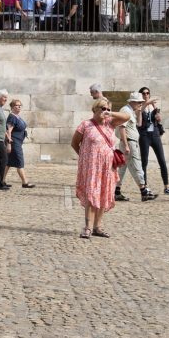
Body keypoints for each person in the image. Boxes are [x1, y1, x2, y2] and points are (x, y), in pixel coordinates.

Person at [73, 99, 124, 238]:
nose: (105, 110)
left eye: (107, 108)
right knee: (91, 196)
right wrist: (85, 157)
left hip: (108, 168)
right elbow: (74, 143)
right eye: (102, 108)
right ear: (94, 109)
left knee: (104, 195)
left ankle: (98, 227)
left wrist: (110, 112)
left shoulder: (111, 124)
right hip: (92, 168)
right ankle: (88, 227)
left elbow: (127, 116)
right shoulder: (86, 125)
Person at [134, 86, 169, 197]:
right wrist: (147, 103)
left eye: (148, 93)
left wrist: (158, 117)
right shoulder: (139, 106)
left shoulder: (153, 106)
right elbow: (138, 114)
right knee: (144, 162)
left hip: (155, 134)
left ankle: (167, 186)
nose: (146, 95)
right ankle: (144, 187)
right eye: (144, 93)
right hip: (144, 135)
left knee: (162, 160)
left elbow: (158, 119)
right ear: (141, 95)